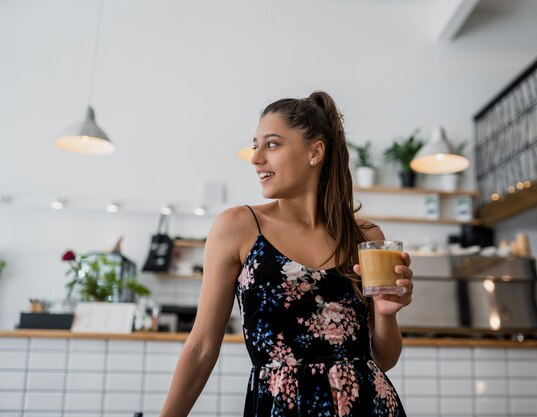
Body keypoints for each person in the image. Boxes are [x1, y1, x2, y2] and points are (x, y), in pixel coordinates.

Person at [160, 91, 414, 417]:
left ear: (315, 151)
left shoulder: (365, 237)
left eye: (272, 144)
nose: (255, 158)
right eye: (256, 146)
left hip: (368, 406)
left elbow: (382, 359)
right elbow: (202, 347)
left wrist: (387, 312)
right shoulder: (238, 227)